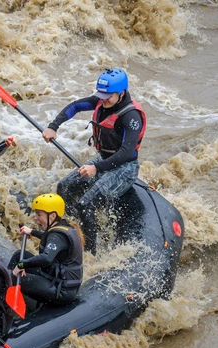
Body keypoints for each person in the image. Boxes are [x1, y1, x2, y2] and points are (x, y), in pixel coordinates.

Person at [42, 68, 147, 254]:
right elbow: (74, 106)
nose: (103, 100)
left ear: (121, 93)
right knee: (63, 187)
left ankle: (90, 252)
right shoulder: (102, 100)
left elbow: (126, 152)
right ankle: (73, 231)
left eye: (108, 96)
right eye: (101, 95)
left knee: (86, 204)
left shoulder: (131, 117)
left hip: (124, 167)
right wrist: (53, 126)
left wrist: (96, 168)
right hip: (103, 159)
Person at [10, 194, 84, 310]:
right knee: (19, 255)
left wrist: (21, 265)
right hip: (55, 278)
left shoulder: (58, 236)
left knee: (13, 277)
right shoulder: (63, 227)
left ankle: (9, 306)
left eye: (39, 215)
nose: (36, 218)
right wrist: (32, 232)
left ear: (53, 215)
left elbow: (46, 258)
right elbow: (49, 238)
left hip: (61, 290)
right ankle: (13, 296)